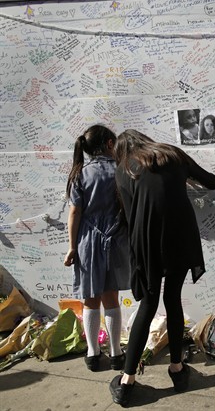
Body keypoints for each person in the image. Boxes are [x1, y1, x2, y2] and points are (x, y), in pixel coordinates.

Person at [109, 129, 215, 406]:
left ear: (122, 150)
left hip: (146, 243)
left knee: (148, 306)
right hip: (179, 238)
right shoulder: (172, 154)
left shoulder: (124, 170)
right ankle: (177, 369)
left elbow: (131, 212)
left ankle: (126, 381)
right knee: (173, 299)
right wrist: (185, 178)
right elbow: (213, 182)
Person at [64, 124, 130, 373]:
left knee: (90, 299)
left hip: (88, 242)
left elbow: (74, 212)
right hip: (116, 239)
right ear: (110, 144)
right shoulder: (121, 171)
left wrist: (72, 248)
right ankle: (116, 354)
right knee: (111, 298)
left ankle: (93, 354)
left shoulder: (80, 173)